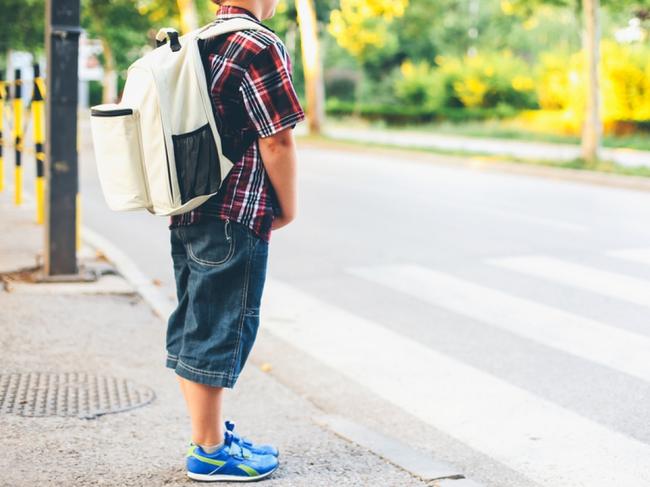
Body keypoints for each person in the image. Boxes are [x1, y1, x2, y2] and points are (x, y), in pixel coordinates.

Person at [164, 0, 305, 481]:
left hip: (187, 208)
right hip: (235, 211)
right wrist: (286, 207)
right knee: (219, 329)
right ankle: (208, 451)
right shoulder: (259, 43)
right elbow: (276, 141)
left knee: (196, 323)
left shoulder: (196, 42)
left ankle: (212, 437)